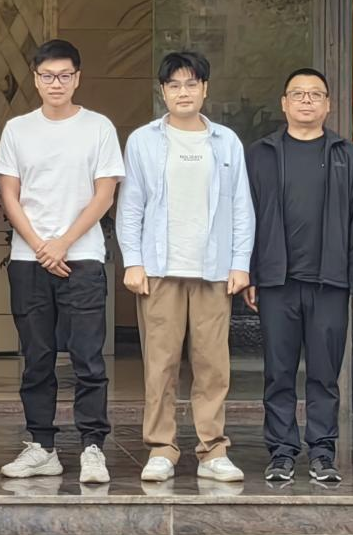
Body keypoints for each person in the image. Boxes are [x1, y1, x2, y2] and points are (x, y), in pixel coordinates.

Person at [116, 51, 255, 483]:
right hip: (160, 270)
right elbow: (131, 205)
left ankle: (213, 451)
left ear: (205, 89)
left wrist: (240, 263)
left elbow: (241, 206)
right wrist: (133, 261)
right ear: (163, 91)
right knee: (160, 365)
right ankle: (161, 448)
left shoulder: (226, 141)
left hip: (213, 271)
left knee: (213, 365)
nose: (183, 92)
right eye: (174, 85)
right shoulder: (143, 140)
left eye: (191, 84)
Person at [0, 39, 125, 485]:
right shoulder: (18, 129)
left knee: (88, 358)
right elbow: (9, 194)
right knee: (37, 358)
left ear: (77, 78)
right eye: (48, 76)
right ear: (35, 79)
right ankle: (41, 446)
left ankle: (92, 446)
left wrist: (63, 242)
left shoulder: (99, 127)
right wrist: (40, 245)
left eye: (65, 75)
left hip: (82, 257)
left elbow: (104, 194)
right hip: (29, 260)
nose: (56, 83)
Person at [244, 68, 353, 483]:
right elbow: (245, 216)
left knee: (324, 374)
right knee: (278, 372)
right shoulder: (262, 153)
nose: (306, 100)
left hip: (330, 282)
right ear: (283, 103)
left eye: (315, 94)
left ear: (328, 104)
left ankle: (322, 452)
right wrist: (249, 272)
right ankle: (282, 453)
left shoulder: (346, 154)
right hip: (276, 281)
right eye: (298, 94)